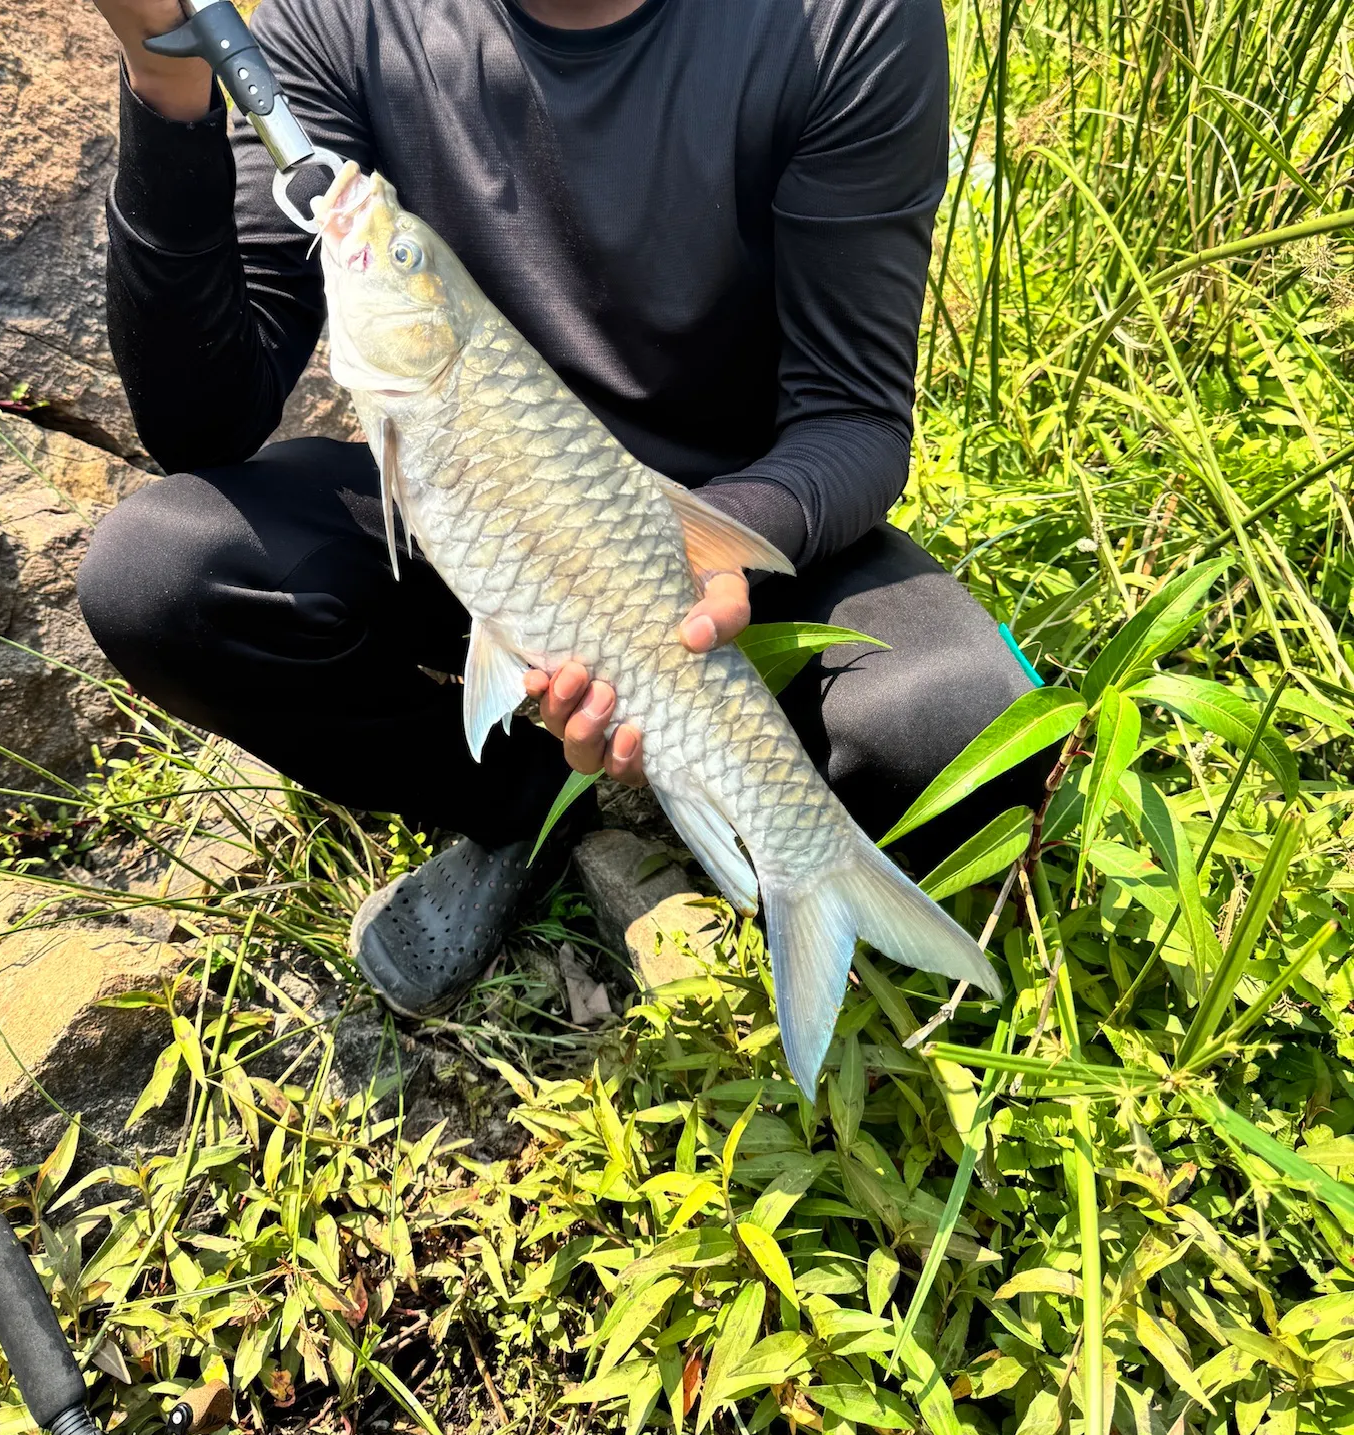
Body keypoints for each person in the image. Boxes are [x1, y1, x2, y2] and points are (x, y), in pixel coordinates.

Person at [79, 0, 1045, 1019]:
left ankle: (751, 834)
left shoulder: (846, 19)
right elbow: (202, 422)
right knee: (161, 574)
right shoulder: (335, 18)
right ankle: (535, 810)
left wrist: (714, 549)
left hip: (734, 544)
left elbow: (852, 420)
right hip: (481, 525)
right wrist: (166, 82)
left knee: (970, 729)